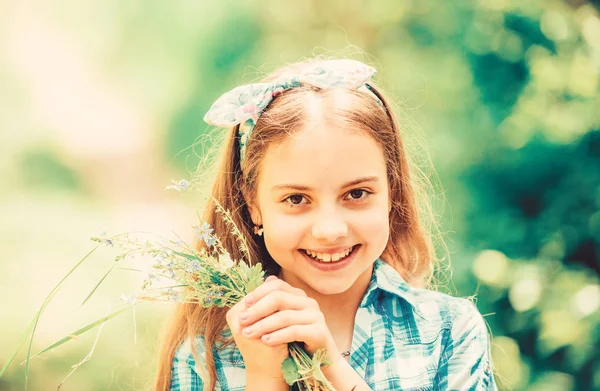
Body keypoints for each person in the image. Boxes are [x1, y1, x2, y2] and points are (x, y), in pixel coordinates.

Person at [154, 58, 497, 391]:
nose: (330, 230)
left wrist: (328, 363)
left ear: (392, 191)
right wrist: (265, 377)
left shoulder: (448, 331)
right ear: (253, 204)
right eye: (296, 199)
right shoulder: (204, 356)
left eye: (357, 193)